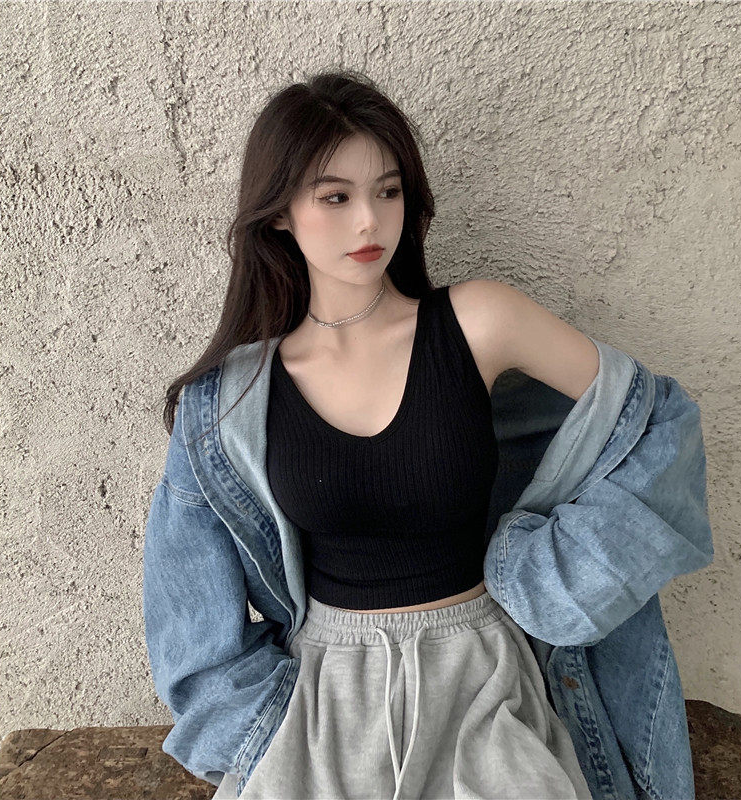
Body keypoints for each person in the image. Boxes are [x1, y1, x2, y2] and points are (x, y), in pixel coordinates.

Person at [149, 68, 601, 799]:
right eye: (336, 197)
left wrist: (561, 575)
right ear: (279, 213)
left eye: (388, 192)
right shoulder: (229, 401)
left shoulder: (480, 321)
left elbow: (644, 420)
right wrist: (260, 736)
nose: (369, 222)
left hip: (481, 683)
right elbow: (189, 615)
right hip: (321, 706)